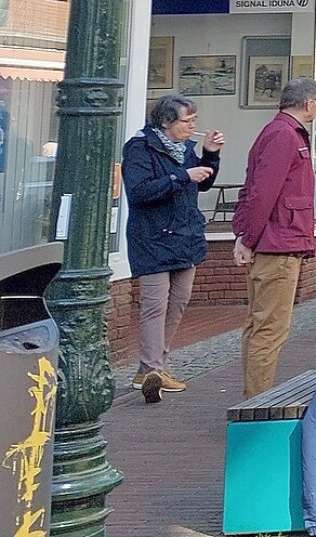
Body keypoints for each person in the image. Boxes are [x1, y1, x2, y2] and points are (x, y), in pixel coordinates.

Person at [123, 94, 225, 403]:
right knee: (155, 305)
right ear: (167, 122)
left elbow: (202, 184)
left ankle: (154, 367)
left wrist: (210, 156)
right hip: (153, 237)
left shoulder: (185, 149)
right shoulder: (140, 148)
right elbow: (139, 192)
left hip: (186, 235)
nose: (193, 125)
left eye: (195, 119)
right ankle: (153, 367)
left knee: (178, 303)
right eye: (187, 120)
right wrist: (182, 175)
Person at [234, 78, 316, 398]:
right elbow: (262, 192)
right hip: (280, 242)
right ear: (308, 103)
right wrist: (247, 237)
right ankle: (256, 406)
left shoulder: (278, 131)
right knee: (270, 329)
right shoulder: (285, 135)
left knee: (259, 326)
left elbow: (255, 188)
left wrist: (245, 234)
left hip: (274, 239)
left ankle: (252, 401)